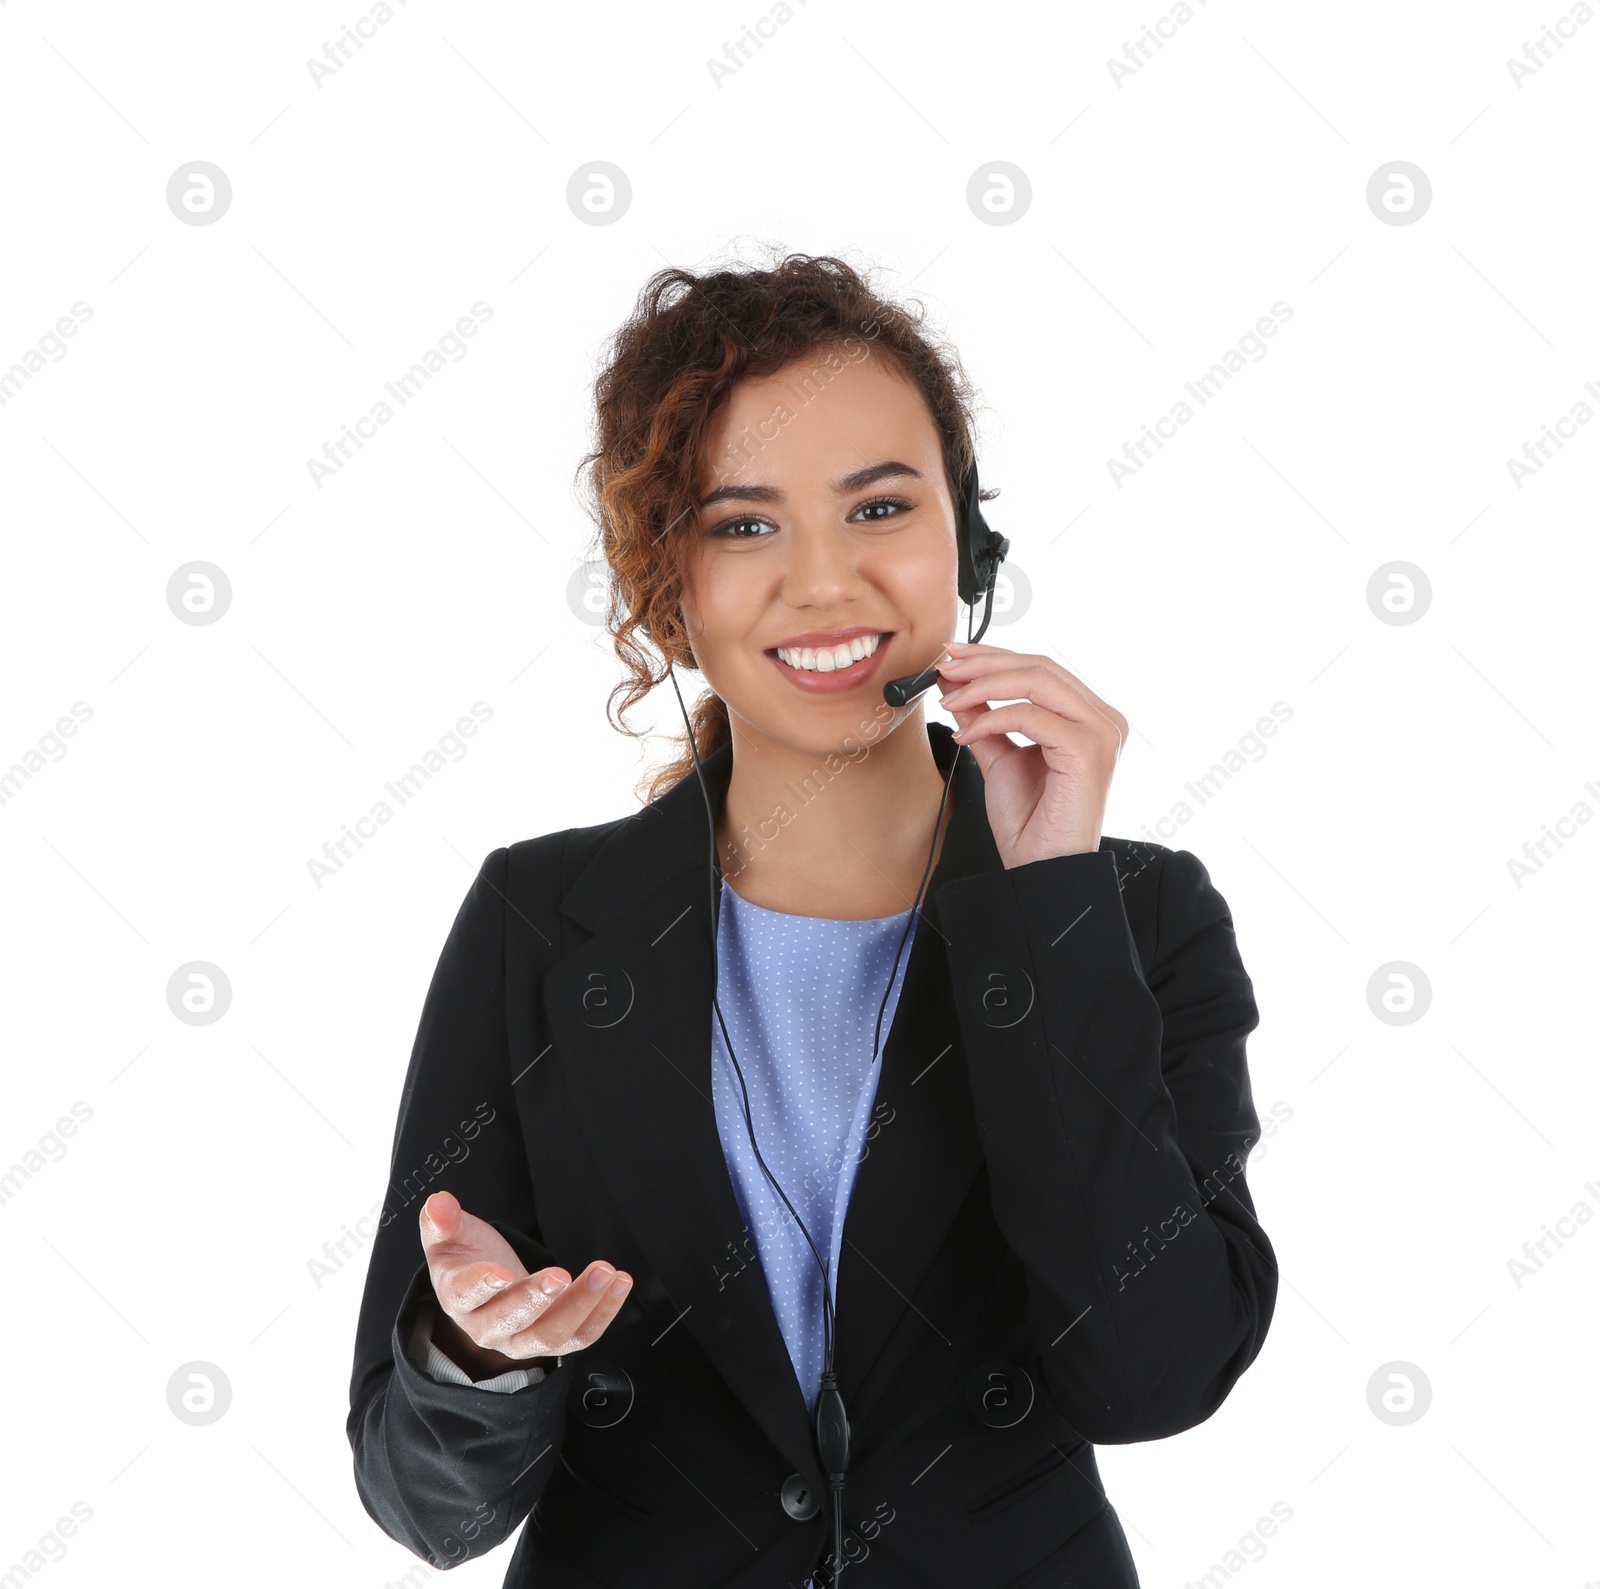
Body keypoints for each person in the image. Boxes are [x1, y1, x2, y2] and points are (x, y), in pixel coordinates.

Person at [346, 251, 1277, 1588]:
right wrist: (479, 1358)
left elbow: (1151, 1376)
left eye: (879, 506)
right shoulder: (539, 924)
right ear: (669, 589)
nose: (824, 580)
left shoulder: (1133, 913)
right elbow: (419, 1500)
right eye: (743, 523)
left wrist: (1048, 909)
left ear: (970, 541)